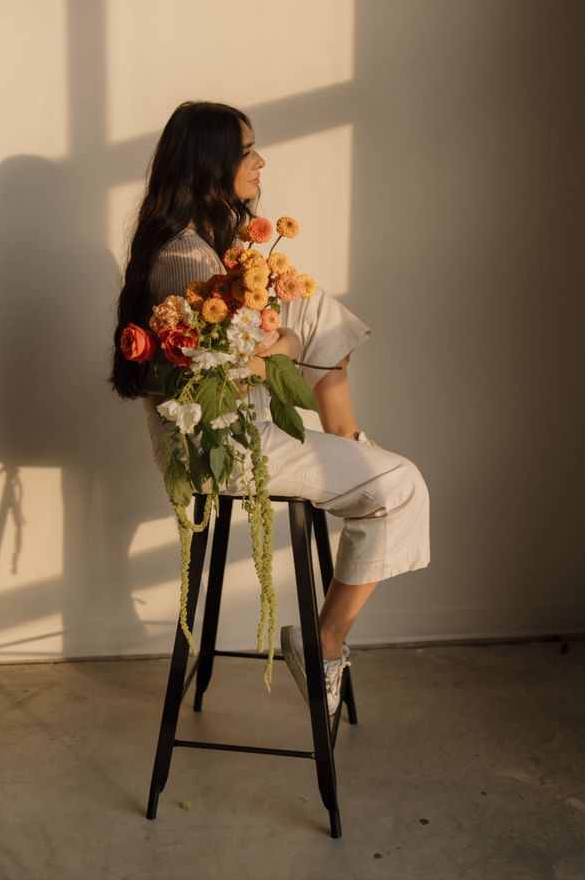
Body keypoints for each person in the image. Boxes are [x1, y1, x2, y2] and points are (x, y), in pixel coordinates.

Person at [110, 100, 430, 715]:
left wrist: (280, 323)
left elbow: (244, 353)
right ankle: (323, 643)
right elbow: (223, 375)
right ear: (211, 163)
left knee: (312, 304)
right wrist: (278, 344)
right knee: (405, 486)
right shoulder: (184, 257)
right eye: (247, 150)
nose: (260, 162)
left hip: (238, 424)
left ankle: (349, 438)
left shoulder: (207, 245)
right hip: (221, 446)